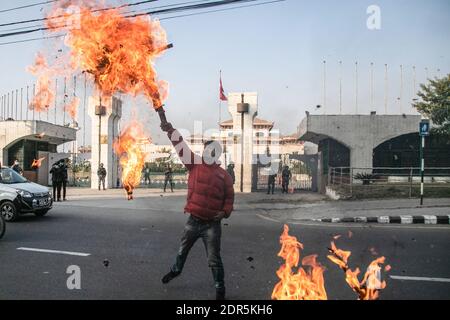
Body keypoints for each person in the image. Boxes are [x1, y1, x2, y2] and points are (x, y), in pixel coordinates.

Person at [160, 120, 234, 301]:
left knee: (214, 259)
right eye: (206, 150)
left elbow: (229, 199)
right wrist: (170, 130)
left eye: (212, 151)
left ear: (217, 154)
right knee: (182, 251)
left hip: (212, 226)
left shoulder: (224, 176)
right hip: (193, 221)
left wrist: (224, 213)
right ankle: (176, 271)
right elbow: (180, 145)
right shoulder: (194, 164)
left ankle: (220, 288)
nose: (208, 153)